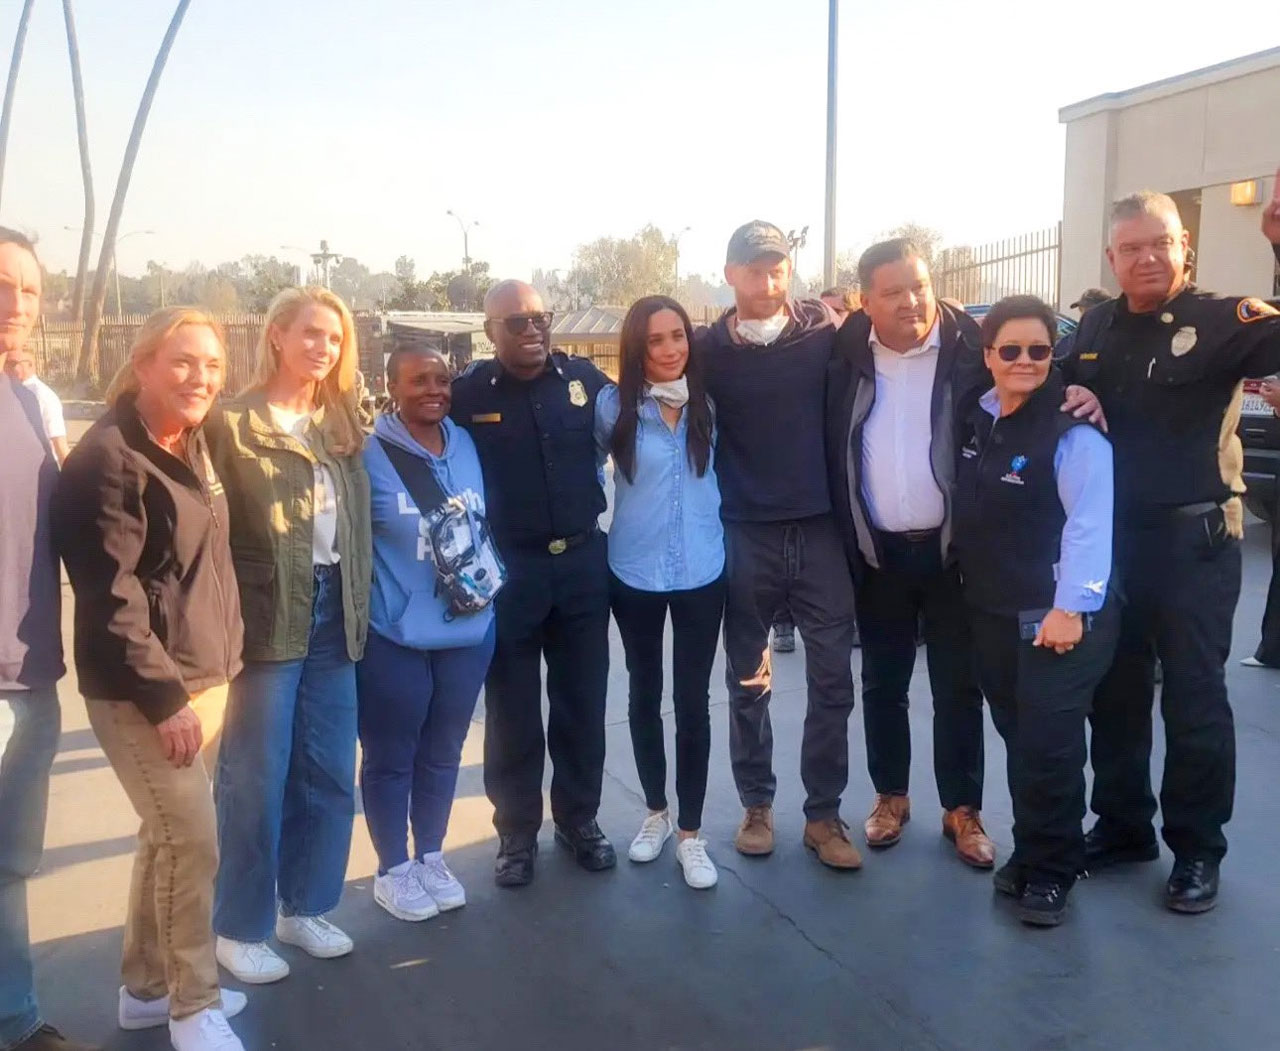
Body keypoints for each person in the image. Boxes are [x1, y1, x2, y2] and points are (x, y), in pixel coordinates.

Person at [826, 239, 1103, 869]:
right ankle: (890, 797)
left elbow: (1027, 371)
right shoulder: (843, 357)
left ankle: (962, 810)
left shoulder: (967, 352)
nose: (910, 300)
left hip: (956, 556)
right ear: (865, 300)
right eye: (892, 291)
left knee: (959, 687)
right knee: (884, 684)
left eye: (918, 285)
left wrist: (1082, 392)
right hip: (878, 553)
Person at [1063, 186, 1280, 914]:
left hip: (1194, 544)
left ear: (1184, 246)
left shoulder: (1225, 319)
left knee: (1194, 699)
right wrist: (1074, 398)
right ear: (1112, 257)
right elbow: (1045, 384)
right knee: (1114, 694)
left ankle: (1196, 849)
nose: (1147, 257)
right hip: (1117, 545)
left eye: (1160, 243)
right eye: (1132, 247)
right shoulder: (1092, 325)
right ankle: (1123, 826)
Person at [52, 308, 249, 1051]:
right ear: (142, 365)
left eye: (211, 365)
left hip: (204, 678)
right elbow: (112, 599)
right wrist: (165, 699)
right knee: (193, 841)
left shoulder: (191, 440)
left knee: (163, 838)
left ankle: (145, 986)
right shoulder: (110, 457)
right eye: (183, 362)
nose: (201, 377)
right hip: (144, 692)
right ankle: (192, 1005)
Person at [206, 287, 371, 982]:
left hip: (337, 608)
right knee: (255, 775)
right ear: (276, 335)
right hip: (267, 612)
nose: (322, 348)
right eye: (310, 334)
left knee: (330, 770)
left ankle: (303, 907)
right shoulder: (232, 424)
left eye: (334, 339)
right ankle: (238, 925)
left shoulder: (339, 421)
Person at [696, 221, 861, 870]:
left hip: (821, 531)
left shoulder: (826, 333)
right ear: (731, 274)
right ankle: (757, 805)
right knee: (748, 681)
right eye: (754, 269)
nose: (768, 281)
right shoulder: (707, 348)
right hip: (745, 533)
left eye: (778, 268)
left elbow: (930, 335)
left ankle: (823, 815)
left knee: (831, 682)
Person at [951, 295, 1117, 926]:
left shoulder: (1074, 432)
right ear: (988, 356)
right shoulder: (980, 413)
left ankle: (1053, 872)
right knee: (1020, 740)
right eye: (1010, 350)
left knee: (1049, 746)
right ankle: (1034, 850)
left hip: (1056, 619)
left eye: (1039, 350)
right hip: (992, 609)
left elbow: (1089, 527)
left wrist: (1070, 607)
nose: (1025, 361)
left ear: (1057, 356)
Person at [451, 280, 615, 887]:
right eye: (516, 322)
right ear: (490, 330)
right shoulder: (466, 394)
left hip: (580, 566)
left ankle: (579, 820)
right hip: (509, 571)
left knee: (582, 702)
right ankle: (516, 835)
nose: (532, 330)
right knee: (513, 709)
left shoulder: (585, 384)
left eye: (540, 318)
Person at [356, 345, 498, 921]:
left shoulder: (466, 443)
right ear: (391, 385)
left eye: (442, 379)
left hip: (468, 628)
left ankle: (431, 856)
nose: (434, 390)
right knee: (392, 755)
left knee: (443, 750)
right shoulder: (367, 454)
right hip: (395, 632)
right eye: (419, 381)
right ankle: (393, 868)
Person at [0, 229, 97, 1051]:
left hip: (28, 671)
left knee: (8, 864)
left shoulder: (32, 397)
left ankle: (15, 1015)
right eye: (2, 285)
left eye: (29, 291)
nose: (15, 306)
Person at [595, 295, 724, 891]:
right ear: (636, 348)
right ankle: (655, 813)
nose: (671, 349)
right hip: (635, 572)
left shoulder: (711, 404)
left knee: (692, 700)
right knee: (644, 694)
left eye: (678, 336)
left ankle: (692, 835)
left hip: (702, 571)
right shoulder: (612, 408)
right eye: (656, 340)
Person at [2, 351, 69, 465]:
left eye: (12, 363)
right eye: (5, 363)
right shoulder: (10, 391)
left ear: (30, 365)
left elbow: (59, 442)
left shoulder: (42, 396)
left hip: (39, 469)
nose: (6, 368)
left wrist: (70, 478)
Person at [1054, 287, 1112, 362]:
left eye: (1090, 312)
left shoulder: (1118, 342)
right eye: (1081, 310)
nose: (1084, 316)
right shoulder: (1067, 342)